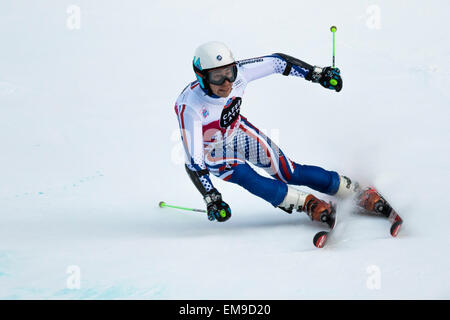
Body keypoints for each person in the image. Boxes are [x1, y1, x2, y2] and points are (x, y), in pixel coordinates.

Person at [174, 41, 389, 225]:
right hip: (213, 151)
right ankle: (307, 203)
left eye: (229, 73)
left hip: (238, 132)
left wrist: (317, 74)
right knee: (249, 178)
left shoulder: (240, 74)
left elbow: (278, 62)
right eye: (217, 77)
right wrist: (211, 196)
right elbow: (194, 163)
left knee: (289, 172)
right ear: (202, 78)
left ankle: (353, 190)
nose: (227, 83)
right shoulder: (190, 106)